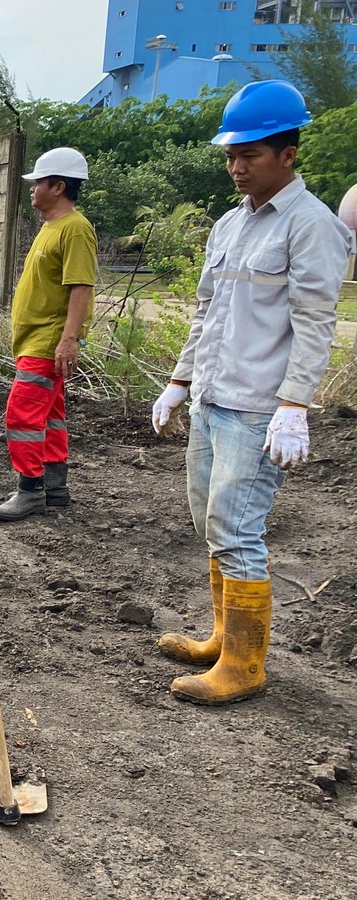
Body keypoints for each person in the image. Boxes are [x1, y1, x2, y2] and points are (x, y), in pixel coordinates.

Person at [150, 80, 353, 705]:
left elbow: (316, 323)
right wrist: (181, 380)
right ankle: (221, 636)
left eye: (252, 155)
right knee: (210, 521)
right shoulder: (230, 224)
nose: (237, 167)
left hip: (259, 408)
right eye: (231, 155)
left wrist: (294, 404)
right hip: (214, 397)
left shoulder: (309, 225)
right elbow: (205, 312)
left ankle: (243, 664)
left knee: (237, 529)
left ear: (288, 153)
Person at [0, 148, 98, 521]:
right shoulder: (51, 227)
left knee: (21, 415)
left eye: (39, 182)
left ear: (59, 185)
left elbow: (81, 286)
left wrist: (69, 339)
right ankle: (54, 487)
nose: (33, 189)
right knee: (50, 415)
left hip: (48, 341)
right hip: (36, 341)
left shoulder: (75, 228)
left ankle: (30, 490)